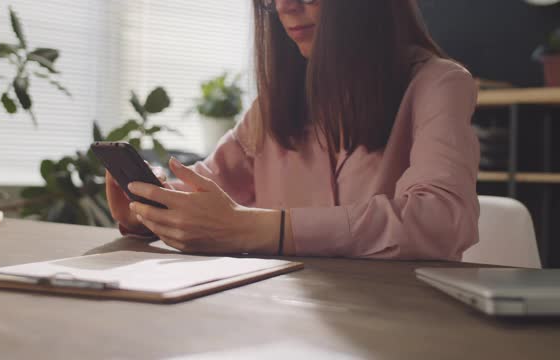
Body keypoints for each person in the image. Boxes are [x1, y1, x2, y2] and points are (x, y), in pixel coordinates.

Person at [106, 0, 480, 260]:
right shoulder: (273, 106)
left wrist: (260, 229)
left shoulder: (438, 83)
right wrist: (147, 210)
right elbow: (203, 190)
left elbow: (440, 220)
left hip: (398, 324)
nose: (285, 7)